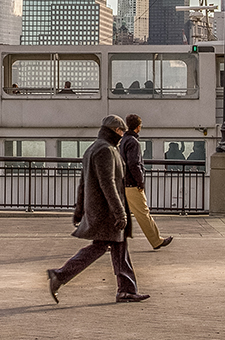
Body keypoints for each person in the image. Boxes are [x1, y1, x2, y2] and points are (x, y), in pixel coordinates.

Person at [46, 115, 150, 304]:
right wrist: (120, 212)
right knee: (100, 247)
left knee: (119, 247)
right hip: (106, 212)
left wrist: (79, 210)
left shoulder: (94, 148)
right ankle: (60, 275)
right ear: (114, 130)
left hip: (101, 210)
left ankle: (126, 290)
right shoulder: (106, 150)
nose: (122, 134)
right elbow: (108, 183)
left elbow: (83, 183)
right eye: (120, 131)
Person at [120, 114, 173, 251]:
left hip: (122, 183)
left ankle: (108, 242)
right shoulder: (133, 142)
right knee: (143, 213)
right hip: (131, 184)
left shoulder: (123, 140)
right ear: (138, 127)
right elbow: (134, 164)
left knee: (119, 214)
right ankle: (156, 241)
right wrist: (140, 181)